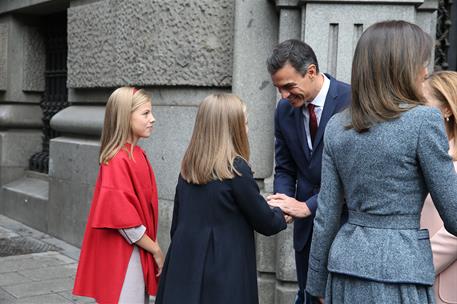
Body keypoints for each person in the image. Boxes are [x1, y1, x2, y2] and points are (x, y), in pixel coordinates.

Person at [295, 20, 457, 303]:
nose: (425, 71)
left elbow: (327, 215)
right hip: (400, 275)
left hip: (345, 271)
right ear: (403, 67)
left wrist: (316, 284)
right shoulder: (423, 121)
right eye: (421, 62)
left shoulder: (337, 126)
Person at [155, 93, 287, 304]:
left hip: (185, 263)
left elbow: (176, 224)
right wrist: (283, 213)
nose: (247, 129)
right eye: (244, 123)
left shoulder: (188, 167)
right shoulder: (236, 169)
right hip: (224, 271)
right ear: (232, 129)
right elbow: (266, 222)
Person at [265, 39, 350, 304]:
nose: (284, 96)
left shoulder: (352, 102)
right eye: (278, 88)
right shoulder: (283, 111)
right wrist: (283, 204)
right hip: (306, 234)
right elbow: (285, 168)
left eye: (289, 87)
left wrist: (308, 206)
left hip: (344, 227)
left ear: (311, 72)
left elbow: (354, 174)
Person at [73, 87, 164, 304]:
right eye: (145, 113)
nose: (153, 119)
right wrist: (156, 249)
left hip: (134, 249)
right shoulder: (117, 159)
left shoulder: (136, 155)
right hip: (122, 255)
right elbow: (125, 221)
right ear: (125, 117)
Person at [420, 71, 457, 304]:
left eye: (422, 103)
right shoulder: (427, 149)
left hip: (445, 286)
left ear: (446, 109)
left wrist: (418, 263)